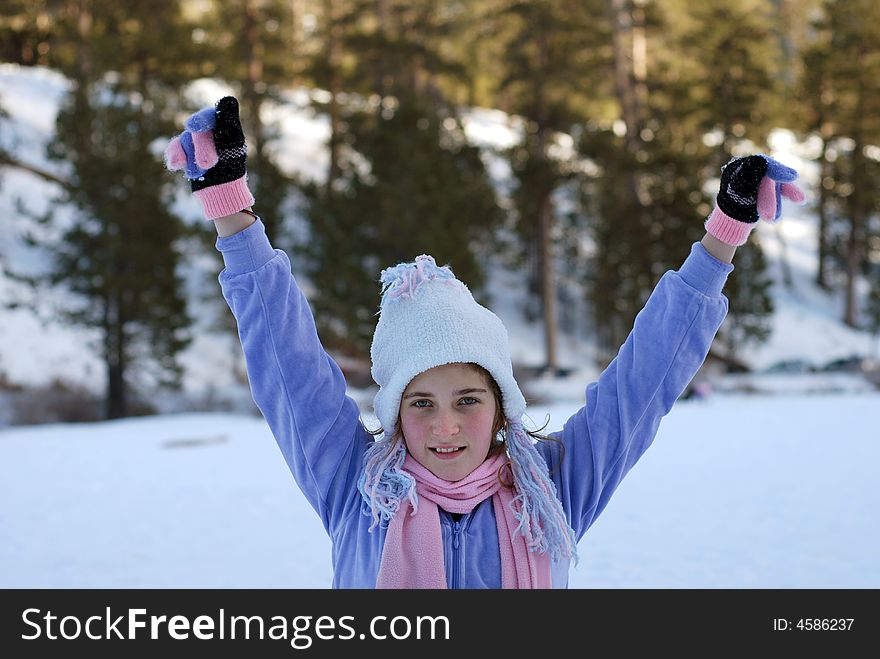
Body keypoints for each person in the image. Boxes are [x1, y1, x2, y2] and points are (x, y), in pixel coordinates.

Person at [165, 96, 804, 588]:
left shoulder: (552, 491)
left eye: (468, 398)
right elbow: (286, 362)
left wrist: (723, 237)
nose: (446, 426)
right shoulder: (353, 488)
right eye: (421, 403)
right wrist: (230, 208)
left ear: (501, 404)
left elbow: (646, 380)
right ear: (394, 412)